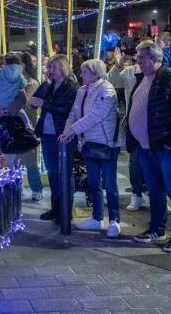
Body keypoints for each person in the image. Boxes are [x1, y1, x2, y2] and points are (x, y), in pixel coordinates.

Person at [127, 40, 171, 253]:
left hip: (165, 147)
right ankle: (157, 228)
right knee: (155, 190)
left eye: (142, 58)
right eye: (137, 58)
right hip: (146, 147)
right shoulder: (142, 80)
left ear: (156, 58)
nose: (138, 62)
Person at [60, 59, 121, 238]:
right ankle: (97, 217)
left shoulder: (107, 90)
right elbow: (74, 112)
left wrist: (72, 130)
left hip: (106, 143)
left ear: (95, 73)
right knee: (93, 182)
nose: (81, 75)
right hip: (88, 142)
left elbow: (96, 116)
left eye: (84, 72)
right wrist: (67, 131)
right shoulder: (82, 90)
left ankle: (114, 220)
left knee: (110, 184)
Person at [29, 54, 79, 221]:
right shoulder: (49, 86)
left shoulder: (72, 87)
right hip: (47, 134)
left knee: (64, 172)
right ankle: (56, 207)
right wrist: (46, 84)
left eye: (54, 67)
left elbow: (65, 109)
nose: (50, 70)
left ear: (63, 68)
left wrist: (44, 104)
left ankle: (66, 210)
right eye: (49, 67)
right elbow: (33, 101)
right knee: (52, 172)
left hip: (63, 134)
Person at [108, 45, 146, 212]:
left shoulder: (159, 71)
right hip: (134, 122)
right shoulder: (130, 72)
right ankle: (136, 193)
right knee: (135, 162)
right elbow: (112, 80)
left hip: (154, 123)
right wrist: (118, 64)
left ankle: (156, 194)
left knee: (154, 163)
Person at [9, 52, 44, 201]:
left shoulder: (32, 83)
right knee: (15, 159)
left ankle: (36, 188)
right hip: (13, 124)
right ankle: (18, 186)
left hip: (27, 124)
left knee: (30, 160)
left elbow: (26, 103)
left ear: (23, 65)